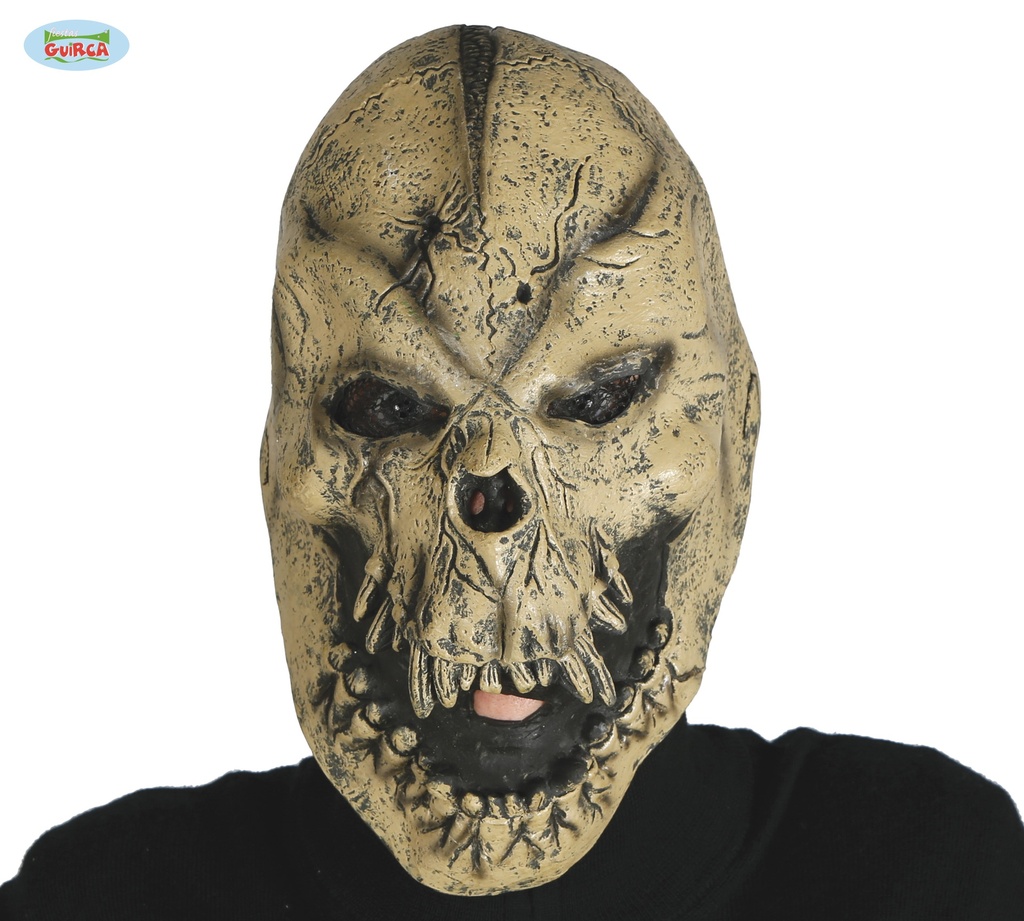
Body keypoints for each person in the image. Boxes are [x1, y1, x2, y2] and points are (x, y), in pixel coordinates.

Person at [4, 24, 1022, 920]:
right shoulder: (98, 897)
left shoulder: (930, 872)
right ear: (277, 463)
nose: (489, 510)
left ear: (737, 435)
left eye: (597, 399)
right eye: (390, 409)